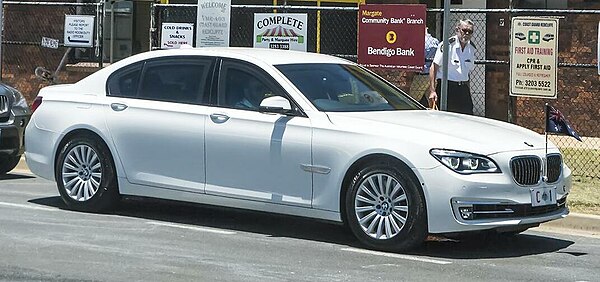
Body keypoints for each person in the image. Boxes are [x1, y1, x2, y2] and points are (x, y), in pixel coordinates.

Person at [423, 19, 476, 114]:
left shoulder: (471, 48)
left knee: (468, 117)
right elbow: (433, 67)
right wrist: (432, 91)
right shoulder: (447, 45)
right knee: (446, 117)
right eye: (464, 30)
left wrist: (467, 89)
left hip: (463, 89)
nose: (467, 33)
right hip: (447, 88)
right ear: (457, 30)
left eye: (470, 31)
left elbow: (468, 72)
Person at [409, 27, 439, 104]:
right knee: (431, 100)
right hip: (433, 76)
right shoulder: (435, 41)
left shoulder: (419, 41)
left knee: (412, 100)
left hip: (421, 75)